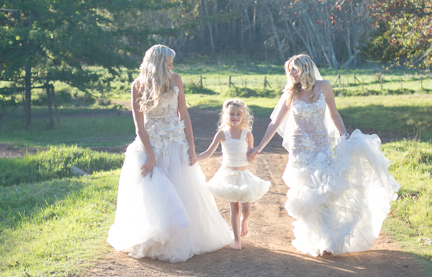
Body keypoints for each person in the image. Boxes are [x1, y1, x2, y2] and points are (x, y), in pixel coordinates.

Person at [248, 54, 400, 257]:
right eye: (289, 71)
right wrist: (259, 146)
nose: (291, 73)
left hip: (322, 146)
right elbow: (274, 124)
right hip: (300, 150)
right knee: (307, 193)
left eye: (294, 69)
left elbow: (334, 114)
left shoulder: (324, 87)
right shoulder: (290, 93)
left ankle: (329, 240)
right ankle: (316, 237)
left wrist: (344, 135)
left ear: (306, 68)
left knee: (325, 192)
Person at [107, 45, 232, 262]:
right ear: (158, 62)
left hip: (175, 143)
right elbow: (139, 126)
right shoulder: (137, 85)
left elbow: (183, 113)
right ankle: (154, 240)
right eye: (169, 61)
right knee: (152, 193)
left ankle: (180, 240)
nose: (172, 65)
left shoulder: (176, 80)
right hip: (151, 144)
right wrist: (151, 155)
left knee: (180, 188)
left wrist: (191, 147)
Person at [196, 98, 271, 250]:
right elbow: (208, 153)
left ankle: (244, 221)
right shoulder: (222, 134)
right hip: (228, 175)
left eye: (238, 114)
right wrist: (194, 158)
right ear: (226, 116)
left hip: (243, 174)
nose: (235, 117)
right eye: (232, 114)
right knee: (234, 208)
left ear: (243, 116)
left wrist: (252, 156)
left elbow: (250, 159)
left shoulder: (247, 134)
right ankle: (237, 240)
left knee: (246, 209)